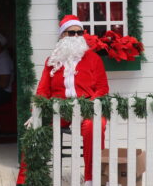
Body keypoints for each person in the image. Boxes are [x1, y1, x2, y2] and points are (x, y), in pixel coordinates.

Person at [17, 15, 109, 186]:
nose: (76, 36)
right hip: (58, 110)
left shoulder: (93, 59)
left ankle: (91, 178)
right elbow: (43, 90)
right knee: (35, 129)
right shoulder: (52, 60)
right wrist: (36, 112)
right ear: (62, 35)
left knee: (94, 126)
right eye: (71, 33)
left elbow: (102, 88)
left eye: (79, 32)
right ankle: (25, 180)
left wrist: (88, 105)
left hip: (86, 108)